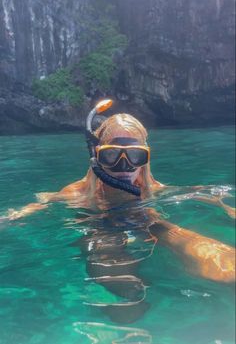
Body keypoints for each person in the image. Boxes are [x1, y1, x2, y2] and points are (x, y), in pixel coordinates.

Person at [3, 99, 235, 285]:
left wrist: (225, 204)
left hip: (148, 221)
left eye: (135, 156)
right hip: (99, 225)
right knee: (109, 258)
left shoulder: (150, 187)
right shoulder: (79, 191)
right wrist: (16, 214)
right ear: (97, 157)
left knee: (180, 238)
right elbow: (45, 201)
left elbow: (194, 192)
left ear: (145, 159)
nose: (125, 167)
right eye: (112, 156)